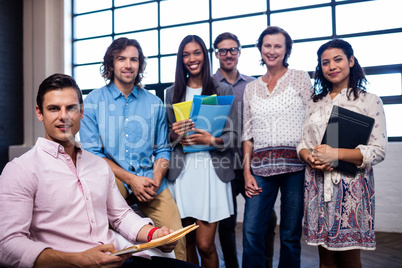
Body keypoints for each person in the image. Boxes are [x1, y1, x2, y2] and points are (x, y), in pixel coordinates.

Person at [0, 73, 200, 268]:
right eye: (53, 109)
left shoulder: (98, 165)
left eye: (71, 108)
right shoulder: (20, 170)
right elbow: (8, 245)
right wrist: (79, 260)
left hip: (119, 258)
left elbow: (120, 216)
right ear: (39, 112)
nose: (63, 116)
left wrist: (153, 234)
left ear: (82, 111)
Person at [79, 37, 186, 260]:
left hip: (150, 178)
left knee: (176, 240)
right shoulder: (92, 103)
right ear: (111, 64)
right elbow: (93, 154)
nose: (128, 65)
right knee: (103, 236)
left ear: (140, 65)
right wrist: (131, 179)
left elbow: (163, 149)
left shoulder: (154, 102)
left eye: (134, 59)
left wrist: (155, 179)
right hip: (113, 177)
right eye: (121, 59)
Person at [297, 39, 387, 267]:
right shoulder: (314, 103)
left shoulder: (369, 101)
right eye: (325, 63)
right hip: (317, 187)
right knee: (325, 259)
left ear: (351, 61)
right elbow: (303, 144)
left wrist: (335, 154)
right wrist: (309, 157)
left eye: (337, 60)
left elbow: (377, 151)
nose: (331, 66)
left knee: (349, 259)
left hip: (351, 191)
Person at [241, 26, 313, 268]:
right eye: (267, 45)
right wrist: (246, 171)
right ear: (260, 49)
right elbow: (247, 134)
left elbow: (313, 120)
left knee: (290, 235)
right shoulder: (251, 87)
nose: (271, 51)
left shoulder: (300, 78)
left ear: (286, 50)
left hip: (296, 168)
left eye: (277, 46)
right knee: (251, 231)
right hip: (260, 170)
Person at [165, 35, 237, 268]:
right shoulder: (171, 92)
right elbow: (166, 138)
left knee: (205, 245)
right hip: (182, 173)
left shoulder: (222, 88)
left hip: (210, 172)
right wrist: (175, 134)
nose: (191, 59)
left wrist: (212, 139)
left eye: (196, 53)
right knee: (186, 244)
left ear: (204, 56)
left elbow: (234, 136)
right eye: (186, 54)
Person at [212, 32, 277, 268]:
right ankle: (231, 265)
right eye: (222, 50)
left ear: (239, 52)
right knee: (227, 223)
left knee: (268, 220)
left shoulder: (254, 85)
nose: (228, 54)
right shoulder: (209, 86)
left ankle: (265, 264)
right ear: (216, 54)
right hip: (223, 166)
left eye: (232, 49)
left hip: (253, 167)